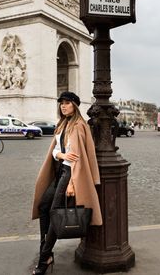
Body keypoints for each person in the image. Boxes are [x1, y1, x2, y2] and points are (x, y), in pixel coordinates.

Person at [32, 92, 102, 275]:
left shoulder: (79, 126)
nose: (63, 106)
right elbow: (56, 151)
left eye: (67, 103)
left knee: (55, 212)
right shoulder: (62, 124)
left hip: (70, 174)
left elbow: (78, 158)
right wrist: (61, 155)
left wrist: (72, 183)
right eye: (62, 103)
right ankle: (44, 249)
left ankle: (44, 258)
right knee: (44, 206)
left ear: (75, 106)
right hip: (60, 170)